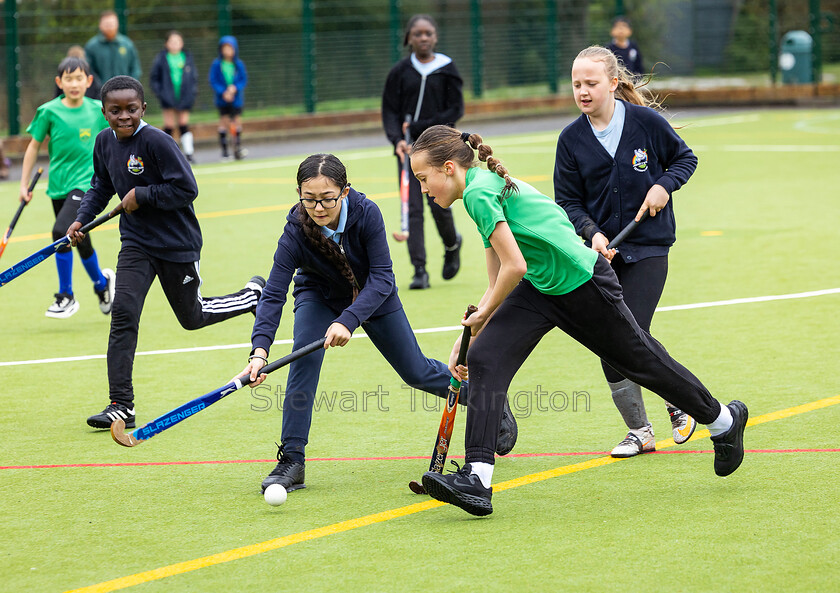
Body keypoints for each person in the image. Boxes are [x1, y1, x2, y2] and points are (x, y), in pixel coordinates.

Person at [409, 124, 748, 516]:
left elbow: (514, 266)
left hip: (582, 283)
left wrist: (483, 313)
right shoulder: (478, 189)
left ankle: (723, 420)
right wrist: (475, 331)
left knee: (640, 362)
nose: (423, 188)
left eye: (423, 178)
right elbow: (499, 270)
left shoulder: (480, 192)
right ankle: (477, 478)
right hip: (542, 287)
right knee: (484, 357)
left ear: (449, 167)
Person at [238, 153, 517, 494]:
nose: (319, 208)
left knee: (416, 371)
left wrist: (348, 320)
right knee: (304, 360)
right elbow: (274, 292)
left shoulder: (366, 213)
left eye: (327, 199)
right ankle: (292, 460)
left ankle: (485, 400)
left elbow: (383, 278)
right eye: (309, 199)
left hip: (374, 293)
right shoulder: (295, 229)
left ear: (345, 191)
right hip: (320, 295)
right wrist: (259, 352)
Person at [66, 76, 265, 430]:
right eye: (115, 110)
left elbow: (187, 189)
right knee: (123, 314)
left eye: (130, 109)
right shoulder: (104, 143)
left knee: (192, 317)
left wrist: (143, 196)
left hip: (176, 244)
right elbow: (101, 186)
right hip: (136, 244)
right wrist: (82, 220)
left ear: (143, 109)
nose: (123, 116)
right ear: (104, 111)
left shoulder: (158, 142)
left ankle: (251, 296)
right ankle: (121, 405)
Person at [554, 46, 698, 458]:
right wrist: (591, 233)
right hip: (604, 254)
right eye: (577, 84)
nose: (582, 91)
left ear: (613, 84)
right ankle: (641, 430)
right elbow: (568, 201)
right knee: (610, 338)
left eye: (591, 83)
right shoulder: (571, 140)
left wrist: (663, 185)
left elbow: (684, 160)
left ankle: (678, 402)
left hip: (650, 246)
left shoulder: (645, 123)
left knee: (630, 332)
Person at [20, 56, 114, 319]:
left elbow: (120, 136)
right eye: (69, 79)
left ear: (89, 81)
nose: (74, 83)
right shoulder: (48, 111)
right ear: (59, 82)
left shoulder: (99, 110)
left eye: (79, 78)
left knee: (61, 231)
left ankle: (66, 296)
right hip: (58, 187)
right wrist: (24, 184)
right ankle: (102, 284)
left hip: (86, 185)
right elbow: (33, 146)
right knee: (80, 241)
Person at [382, 14, 463, 289]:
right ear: (409, 39)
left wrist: (420, 126)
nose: (423, 38)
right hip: (408, 150)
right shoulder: (400, 72)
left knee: (439, 204)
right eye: (417, 34)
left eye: (428, 33)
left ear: (435, 37)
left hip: (439, 147)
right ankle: (420, 270)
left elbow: (455, 110)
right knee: (413, 208)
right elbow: (390, 111)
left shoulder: (446, 68)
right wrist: (396, 140)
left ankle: (452, 245)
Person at [150, 31, 198, 161]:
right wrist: (161, 93)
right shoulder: (161, 58)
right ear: (166, 44)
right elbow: (154, 78)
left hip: (184, 96)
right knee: (169, 125)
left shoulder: (187, 57)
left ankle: (189, 154)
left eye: (178, 41)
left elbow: (193, 78)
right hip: (168, 97)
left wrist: (192, 92)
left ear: (182, 43)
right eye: (172, 41)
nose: (175, 44)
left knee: (183, 124)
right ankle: (165, 155)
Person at [209, 35, 247, 160]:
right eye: (225, 48)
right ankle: (225, 151)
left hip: (236, 99)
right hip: (222, 99)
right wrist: (223, 92)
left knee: (236, 122)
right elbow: (213, 80)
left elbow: (243, 80)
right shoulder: (217, 64)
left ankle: (237, 148)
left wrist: (234, 88)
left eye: (230, 48)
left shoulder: (238, 64)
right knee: (224, 122)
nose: (227, 51)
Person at [84, 10, 141, 83]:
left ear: (117, 24)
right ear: (100, 25)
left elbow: (135, 69)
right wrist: (100, 89)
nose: (109, 27)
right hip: (99, 92)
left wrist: (130, 86)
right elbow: (89, 71)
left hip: (126, 91)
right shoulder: (91, 46)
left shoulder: (128, 44)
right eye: (106, 24)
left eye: (111, 24)